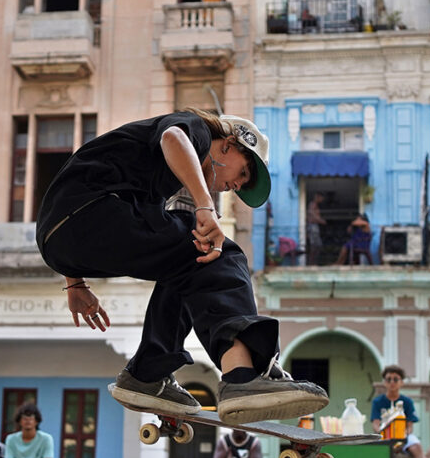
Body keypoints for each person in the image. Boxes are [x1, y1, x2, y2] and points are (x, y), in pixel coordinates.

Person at [35, 109, 328, 426]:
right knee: (221, 252)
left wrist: (74, 281)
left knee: (189, 259)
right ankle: (242, 375)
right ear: (228, 145)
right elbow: (173, 138)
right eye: (243, 174)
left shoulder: (150, 174)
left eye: (241, 186)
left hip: (61, 238)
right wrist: (205, 205)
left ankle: (148, 373)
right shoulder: (198, 130)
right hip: (91, 213)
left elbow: (74, 193)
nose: (236, 186)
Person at [370, 365, 430, 458]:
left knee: (416, 446)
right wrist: (385, 433)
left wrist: (401, 437)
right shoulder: (378, 401)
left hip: (402, 435)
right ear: (384, 382)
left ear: (401, 382)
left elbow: (410, 426)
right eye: (389, 379)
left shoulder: (407, 401)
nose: (392, 383)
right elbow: (375, 424)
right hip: (384, 436)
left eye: (395, 379)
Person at [306, 192, 327, 266]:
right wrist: (321, 221)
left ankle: (314, 262)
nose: (322, 200)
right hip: (313, 226)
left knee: (317, 245)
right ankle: (311, 263)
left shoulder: (315, 205)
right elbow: (312, 216)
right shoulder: (312, 205)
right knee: (314, 245)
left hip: (315, 226)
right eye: (321, 198)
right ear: (317, 197)